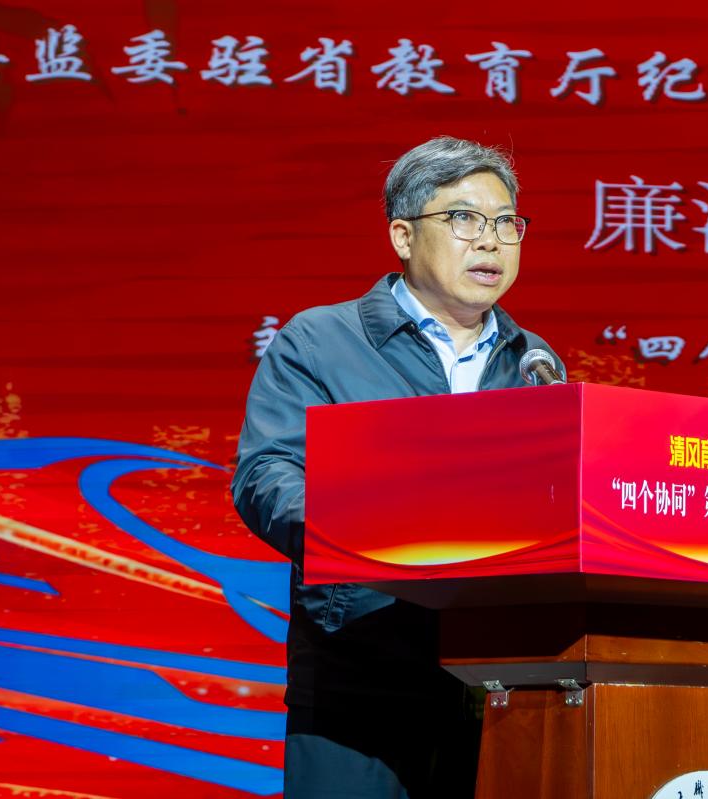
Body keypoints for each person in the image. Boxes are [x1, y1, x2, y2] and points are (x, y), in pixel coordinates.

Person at [231, 136, 564, 798]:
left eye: (506, 222)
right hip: (361, 675)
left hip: (501, 686)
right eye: (464, 218)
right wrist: (381, 537)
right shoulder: (321, 341)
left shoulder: (534, 361)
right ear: (403, 236)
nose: (491, 240)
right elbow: (268, 475)